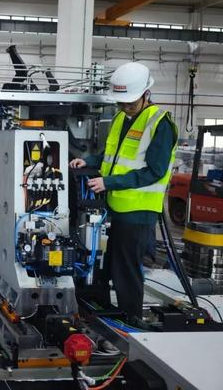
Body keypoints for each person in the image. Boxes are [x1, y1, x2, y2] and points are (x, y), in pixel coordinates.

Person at [70, 62, 177, 321]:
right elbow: (111, 156)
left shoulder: (159, 123)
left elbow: (154, 172)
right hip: (117, 206)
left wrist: (109, 183)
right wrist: (88, 161)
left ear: (146, 94)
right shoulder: (121, 118)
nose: (124, 107)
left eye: (129, 103)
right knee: (108, 265)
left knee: (126, 271)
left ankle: (131, 321)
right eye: (121, 103)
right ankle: (104, 311)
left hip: (139, 210)